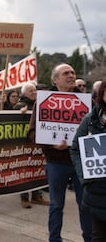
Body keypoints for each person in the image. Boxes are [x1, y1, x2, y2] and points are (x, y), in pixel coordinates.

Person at [28, 63, 92, 242]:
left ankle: (90, 238)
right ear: (55, 80)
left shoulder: (87, 102)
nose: (71, 75)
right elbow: (32, 133)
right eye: (66, 73)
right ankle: (54, 239)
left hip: (81, 163)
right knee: (56, 205)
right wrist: (52, 145)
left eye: (72, 72)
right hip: (56, 163)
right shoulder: (42, 102)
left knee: (86, 205)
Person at [70, 78, 106, 242]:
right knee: (98, 236)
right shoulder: (90, 120)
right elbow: (76, 148)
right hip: (97, 192)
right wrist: (84, 177)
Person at [13, 82, 49, 208]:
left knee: (36, 169)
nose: (34, 93)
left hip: (36, 143)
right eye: (30, 91)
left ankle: (37, 196)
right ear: (24, 94)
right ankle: (24, 198)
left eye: (34, 90)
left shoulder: (42, 104)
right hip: (24, 144)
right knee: (25, 170)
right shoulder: (19, 105)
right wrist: (19, 113)